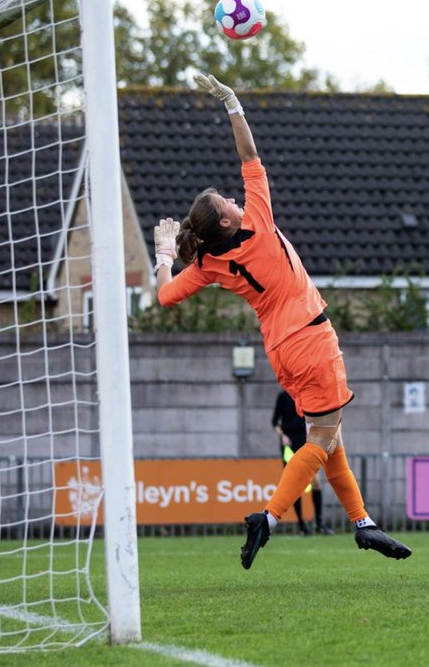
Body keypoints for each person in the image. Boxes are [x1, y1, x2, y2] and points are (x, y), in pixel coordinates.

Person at [153, 73, 411, 570]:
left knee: (330, 437)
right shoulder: (258, 221)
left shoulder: (207, 264)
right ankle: (268, 519)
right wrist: (232, 103)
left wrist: (165, 254)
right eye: (228, 202)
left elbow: (165, 296)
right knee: (320, 439)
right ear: (228, 220)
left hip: (280, 350)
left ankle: (362, 523)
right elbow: (250, 157)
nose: (235, 198)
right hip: (313, 339)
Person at [272, 388, 332, 535]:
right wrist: (282, 436)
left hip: (307, 443)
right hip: (289, 446)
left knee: (316, 482)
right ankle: (301, 525)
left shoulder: (307, 394)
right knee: (294, 484)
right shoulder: (283, 396)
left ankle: (319, 522)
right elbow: (275, 422)